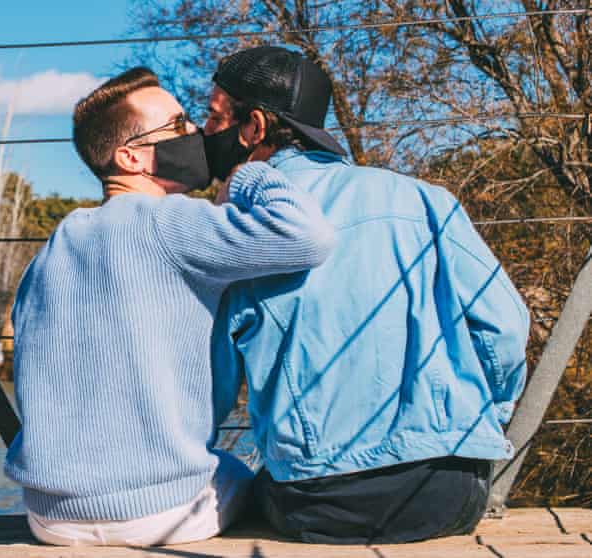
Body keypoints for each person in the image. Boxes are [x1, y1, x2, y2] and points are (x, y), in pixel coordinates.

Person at [206, 46, 530, 545]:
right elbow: (504, 327)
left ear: (253, 128)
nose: (204, 132)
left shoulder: (241, 231)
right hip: (453, 489)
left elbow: (210, 388)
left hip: (319, 503)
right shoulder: (424, 198)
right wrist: (479, 419)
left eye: (212, 116)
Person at [5, 66, 336, 547]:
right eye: (179, 126)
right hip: (154, 514)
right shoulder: (171, 222)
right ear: (131, 157)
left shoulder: (55, 245)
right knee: (256, 480)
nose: (197, 135)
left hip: (49, 514)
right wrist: (246, 178)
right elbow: (307, 237)